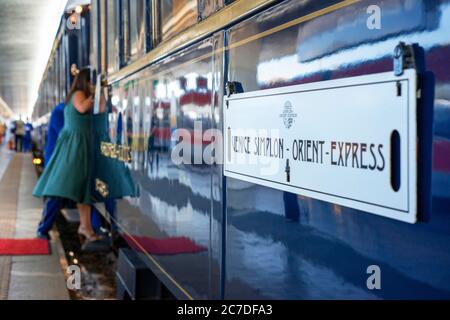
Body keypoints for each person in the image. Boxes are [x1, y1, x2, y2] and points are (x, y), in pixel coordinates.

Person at [33, 69, 101, 243]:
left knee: (81, 189)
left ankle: (87, 227)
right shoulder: (67, 106)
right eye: (91, 82)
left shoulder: (75, 103)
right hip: (65, 155)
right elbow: (64, 134)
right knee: (59, 190)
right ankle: (43, 229)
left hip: (76, 153)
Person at [36, 101, 116, 240]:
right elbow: (71, 134)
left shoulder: (77, 111)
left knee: (86, 192)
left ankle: (96, 228)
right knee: (57, 194)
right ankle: (43, 229)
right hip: (59, 160)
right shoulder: (61, 111)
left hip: (74, 159)